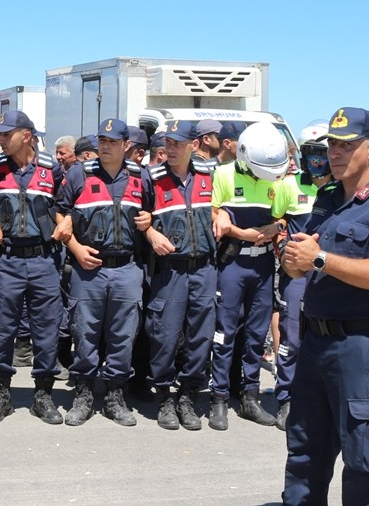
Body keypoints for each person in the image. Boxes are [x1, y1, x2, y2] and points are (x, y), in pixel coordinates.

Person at [280, 107, 369, 506]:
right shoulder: (327, 199)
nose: (335, 154)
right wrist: (294, 261)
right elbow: (302, 264)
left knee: (366, 461)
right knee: (305, 449)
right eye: (332, 145)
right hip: (317, 343)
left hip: (365, 348)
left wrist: (319, 259)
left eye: (346, 145)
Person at [0, 110, 70, 425]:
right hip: (7, 259)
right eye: (0, 134)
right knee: (1, 328)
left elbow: (66, 205)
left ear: (27, 136)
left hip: (44, 259)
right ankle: (1, 394)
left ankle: (43, 395)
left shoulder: (51, 169)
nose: (1, 140)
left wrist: (67, 221)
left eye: (7, 134)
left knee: (46, 329)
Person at [58, 118, 145, 426]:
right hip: (88, 269)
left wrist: (149, 222)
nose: (105, 146)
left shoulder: (140, 176)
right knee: (84, 333)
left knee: (123, 336)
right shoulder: (79, 173)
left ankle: (114, 397)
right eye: (102, 141)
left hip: (127, 268)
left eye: (112, 142)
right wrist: (75, 248)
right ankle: (83, 395)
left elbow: (152, 214)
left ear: (126, 145)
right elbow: (60, 212)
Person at [208, 121, 289, 430]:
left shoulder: (278, 178)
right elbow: (213, 212)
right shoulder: (224, 174)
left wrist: (276, 226)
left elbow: (284, 215)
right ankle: (218, 397)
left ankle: (250, 397)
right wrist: (238, 229)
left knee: (256, 335)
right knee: (225, 332)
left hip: (263, 265)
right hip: (233, 264)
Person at [139, 119, 218, 430]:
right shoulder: (151, 179)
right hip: (170, 271)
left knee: (201, 336)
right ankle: (164, 398)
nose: (170, 149)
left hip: (204, 268)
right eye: (167, 143)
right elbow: (138, 217)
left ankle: (187, 396)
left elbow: (223, 205)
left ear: (193, 145)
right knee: (165, 335)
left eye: (177, 143)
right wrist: (151, 234)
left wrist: (222, 214)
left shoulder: (210, 175)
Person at [271, 121, 332, 431]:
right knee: (292, 338)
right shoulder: (289, 185)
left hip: (330, 274)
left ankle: (319, 399)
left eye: (322, 153)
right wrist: (281, 243)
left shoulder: (340, 189)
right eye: (311, 154)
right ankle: (285, 397)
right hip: (296, 275)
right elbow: (277, 220)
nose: (316, 160)